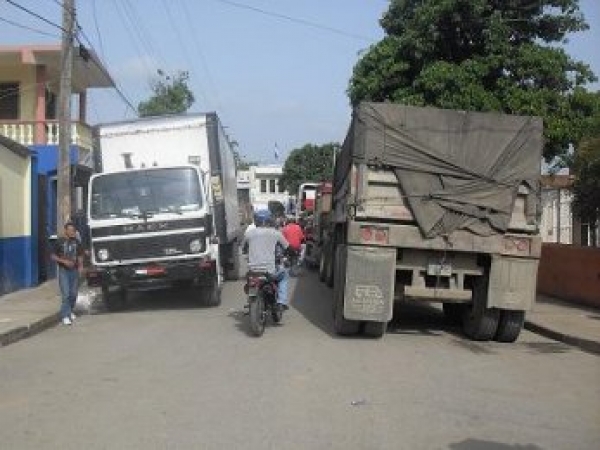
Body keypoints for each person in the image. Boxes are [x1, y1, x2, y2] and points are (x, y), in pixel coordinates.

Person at [242, 212, 291, 311]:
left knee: (249, 282)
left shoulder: (248, 234)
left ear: (256, 221)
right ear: (269, 221)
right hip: (269, 271)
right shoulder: (276, 233)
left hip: (253, 271)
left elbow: (243, 248)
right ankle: (281, 302)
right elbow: (287, 247)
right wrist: (293, 253)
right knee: (284, 274)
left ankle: (251, 300)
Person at [51, 222, 85, 325]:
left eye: (73, 230)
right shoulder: (59, 242)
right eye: (69, 230)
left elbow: (80, 255)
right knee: (66, 294)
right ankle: (65, 316)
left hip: (74, 271)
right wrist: (64, 261)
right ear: (65, 231)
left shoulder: (77, 242)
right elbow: (53, 256)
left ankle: (70, 311)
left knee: (73, 294)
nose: (72, 232)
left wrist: (81, 266)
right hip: (63, 271)